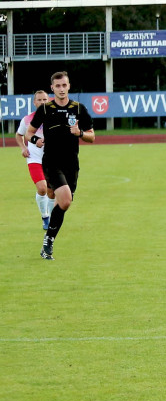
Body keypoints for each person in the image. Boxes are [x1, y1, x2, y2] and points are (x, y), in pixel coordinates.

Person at [27, 71, 95, 260]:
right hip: (51, 162)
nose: (61, 89)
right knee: (64, 200)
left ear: (69, 86)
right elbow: (28, 133)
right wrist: (36, 140)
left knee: (62, 204)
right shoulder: (45, 109)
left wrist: (80, 133)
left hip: (72, 164)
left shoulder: (79, 109)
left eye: (64, 85)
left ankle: (48, 240)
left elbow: (92, 136)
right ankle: (48, 241)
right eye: (58, 86)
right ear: (52, 88)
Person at [15, 90, 55, 229]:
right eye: (39, 100)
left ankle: (50, 217)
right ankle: (45, 217)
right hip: (34, 159)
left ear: (49, 100)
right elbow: (19, 135)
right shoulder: (27, 120)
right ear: (34, 102)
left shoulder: (55, 118)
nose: (42, 102)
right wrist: (23, 148)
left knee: (52, 192)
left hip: (52, 159)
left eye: (45, 99)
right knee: (42, 188)